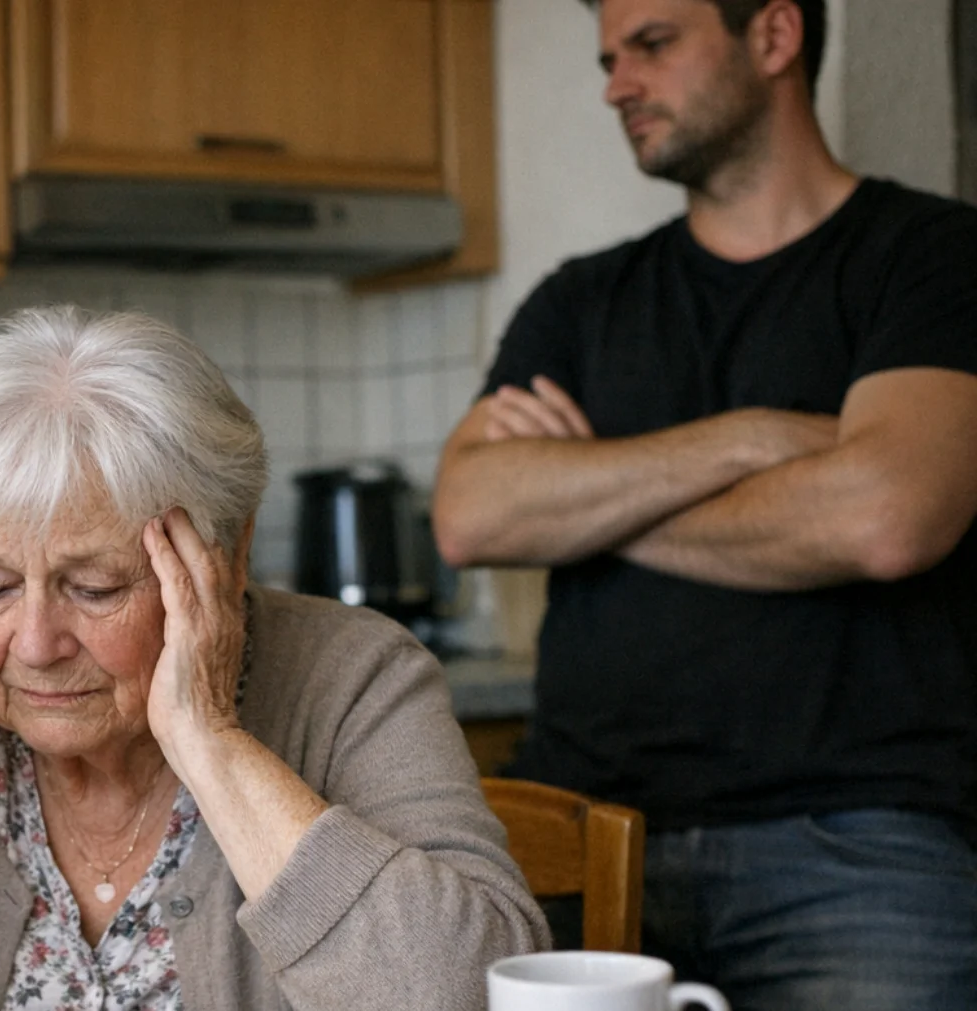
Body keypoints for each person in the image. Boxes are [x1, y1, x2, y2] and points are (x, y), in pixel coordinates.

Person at [0, 306, 547, 1011]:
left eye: (98, 586)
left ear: (225, 557)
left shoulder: (354, 675)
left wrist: (209, 739)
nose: (33, 645)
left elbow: (477, 992)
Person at [432, 0, 977, 1007]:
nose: (615, 86)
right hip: (576, 831)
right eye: (607, 58)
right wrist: (758, 438)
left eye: (653, 44)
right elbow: (471, 515)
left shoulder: (936, 257)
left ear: (773, 37)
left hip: (854, 847)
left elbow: (888, 517)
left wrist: (590, 487)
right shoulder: (579, 301)